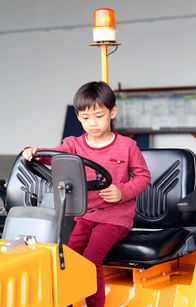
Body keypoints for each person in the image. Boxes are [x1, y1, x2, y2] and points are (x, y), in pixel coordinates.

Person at [23, 81, 151, 307]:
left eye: (99, 116)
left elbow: (143, 178)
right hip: (84, 215)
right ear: (78, 117)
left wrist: (122, 192)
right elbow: (53, 155)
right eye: (85, 118)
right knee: (67, 256)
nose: (92, 123)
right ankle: (68, 302)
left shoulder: (127, 146)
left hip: (115, 218)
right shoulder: (73, 144)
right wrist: (34, 152)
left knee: (91, 259)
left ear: (113, 112)